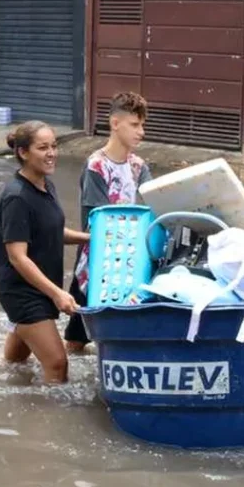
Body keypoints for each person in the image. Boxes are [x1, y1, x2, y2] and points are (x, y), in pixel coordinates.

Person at [0, 121, 89, 383]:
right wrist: (58, 293)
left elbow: (52, 231)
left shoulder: (46, 186)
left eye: (54, 146)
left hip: (42, 287)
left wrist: (90, 238)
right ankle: (46, 418)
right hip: (23, 291)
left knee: (15, 365)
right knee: (57, 365)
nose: (52, 153)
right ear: (24, 153)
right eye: (43, 147)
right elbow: (17, 257)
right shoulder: (16, 198)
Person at [64, 91, 152, 354]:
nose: (141, 132)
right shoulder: (96, 167)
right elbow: (97, 222)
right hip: (94, 263)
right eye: (135, 125)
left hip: (127, 260)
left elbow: (154, 202)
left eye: (142, 125)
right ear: (115, 124)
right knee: (77, 342)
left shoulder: (138, 166)